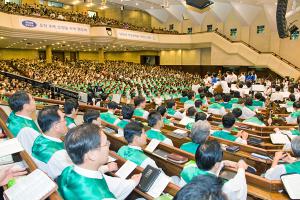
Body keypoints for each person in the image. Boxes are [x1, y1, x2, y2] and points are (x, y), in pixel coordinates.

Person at [57, 124, 141, 199]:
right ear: (92, 155)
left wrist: (131, 182)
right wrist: (132, 182)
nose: (109, 146)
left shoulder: (67, 170)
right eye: (106, 143)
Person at [179, 141, 248, 200]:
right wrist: (241, 168)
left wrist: (223, 163)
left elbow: (210, 172)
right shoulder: (223, 187)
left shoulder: (187, 169)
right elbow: (239, 183)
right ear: (216, 164)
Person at [32, 106, 72, 179]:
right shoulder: (58, 154)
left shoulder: (40, 139)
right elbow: (73, 177)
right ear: (56, 126)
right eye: (64, 119)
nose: (66, 123)